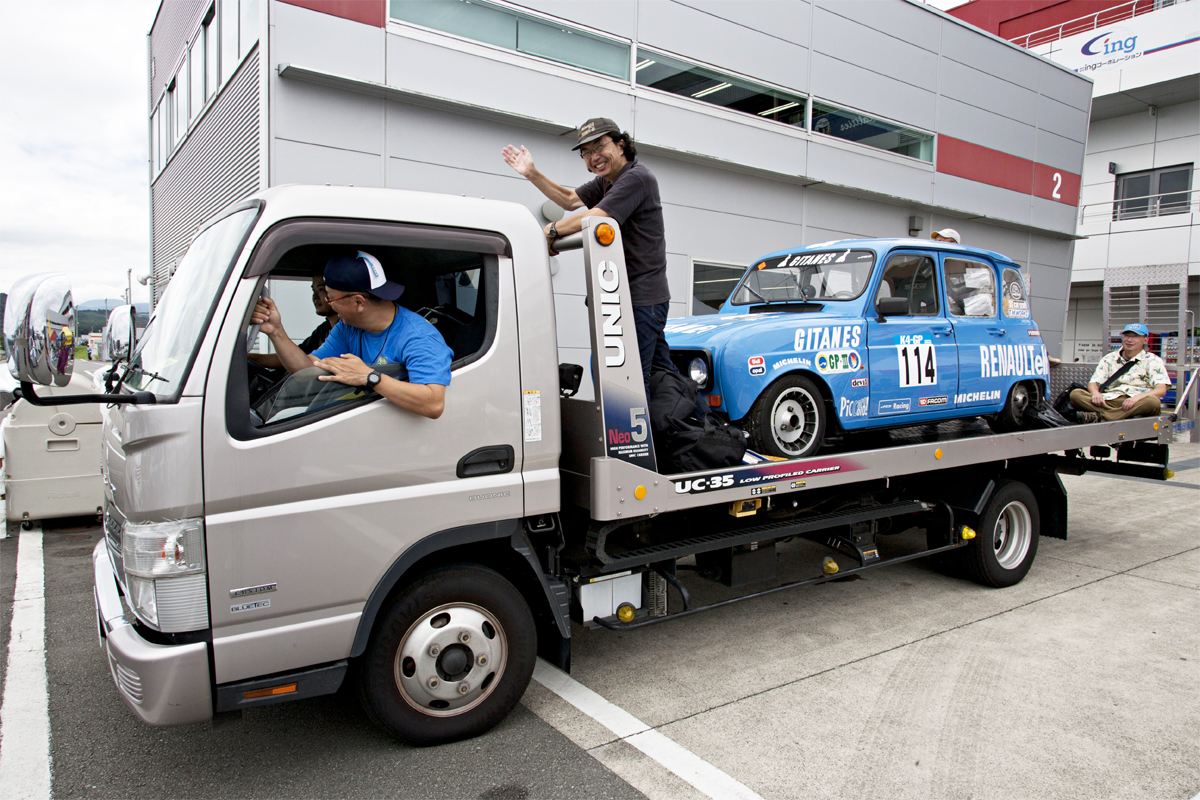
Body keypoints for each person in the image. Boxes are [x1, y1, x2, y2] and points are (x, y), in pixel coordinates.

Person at [502, 118, 679, 391]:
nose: (594, 157)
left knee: (625, 383)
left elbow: (596, 217)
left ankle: (635, 434)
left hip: (641, 299)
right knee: (662, 379)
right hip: (627, 297)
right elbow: (570, 199)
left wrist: (551, 231)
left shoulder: (636, 178)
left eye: (600, 146)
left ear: (621, 145)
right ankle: (700, 429)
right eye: (586, 152)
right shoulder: (607, 182)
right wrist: (531, 173)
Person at [249, 251, 451, 419]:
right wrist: (275, 331)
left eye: (330, 297)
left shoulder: (418, 337)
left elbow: (433, 404)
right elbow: (308, 370)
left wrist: (369, 377)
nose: (328, 303)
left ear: (358, 302)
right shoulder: (348, 327)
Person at [1069, 323, 1169, 422]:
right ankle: (1112, 415)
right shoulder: (1109, 358)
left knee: (1153, 402)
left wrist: (1137, 398)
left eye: (1135, 336)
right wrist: (1095, 393)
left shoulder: (1153, 360)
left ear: (1145, 340)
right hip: (1108, 400)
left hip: (1136, 402)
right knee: (1076, 394)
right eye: (1127, 335)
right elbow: (1094, 383)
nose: (1129, 340)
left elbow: (1161, 390)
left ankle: (1102, 416)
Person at [249, 275, 338, 369]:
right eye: (313, 290)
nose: (315, 297)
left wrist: (276, 331)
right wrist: (247, 357)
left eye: (321, 289)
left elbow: (305, 367)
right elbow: (297, 359)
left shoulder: (348, 330)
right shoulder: (324, 330)